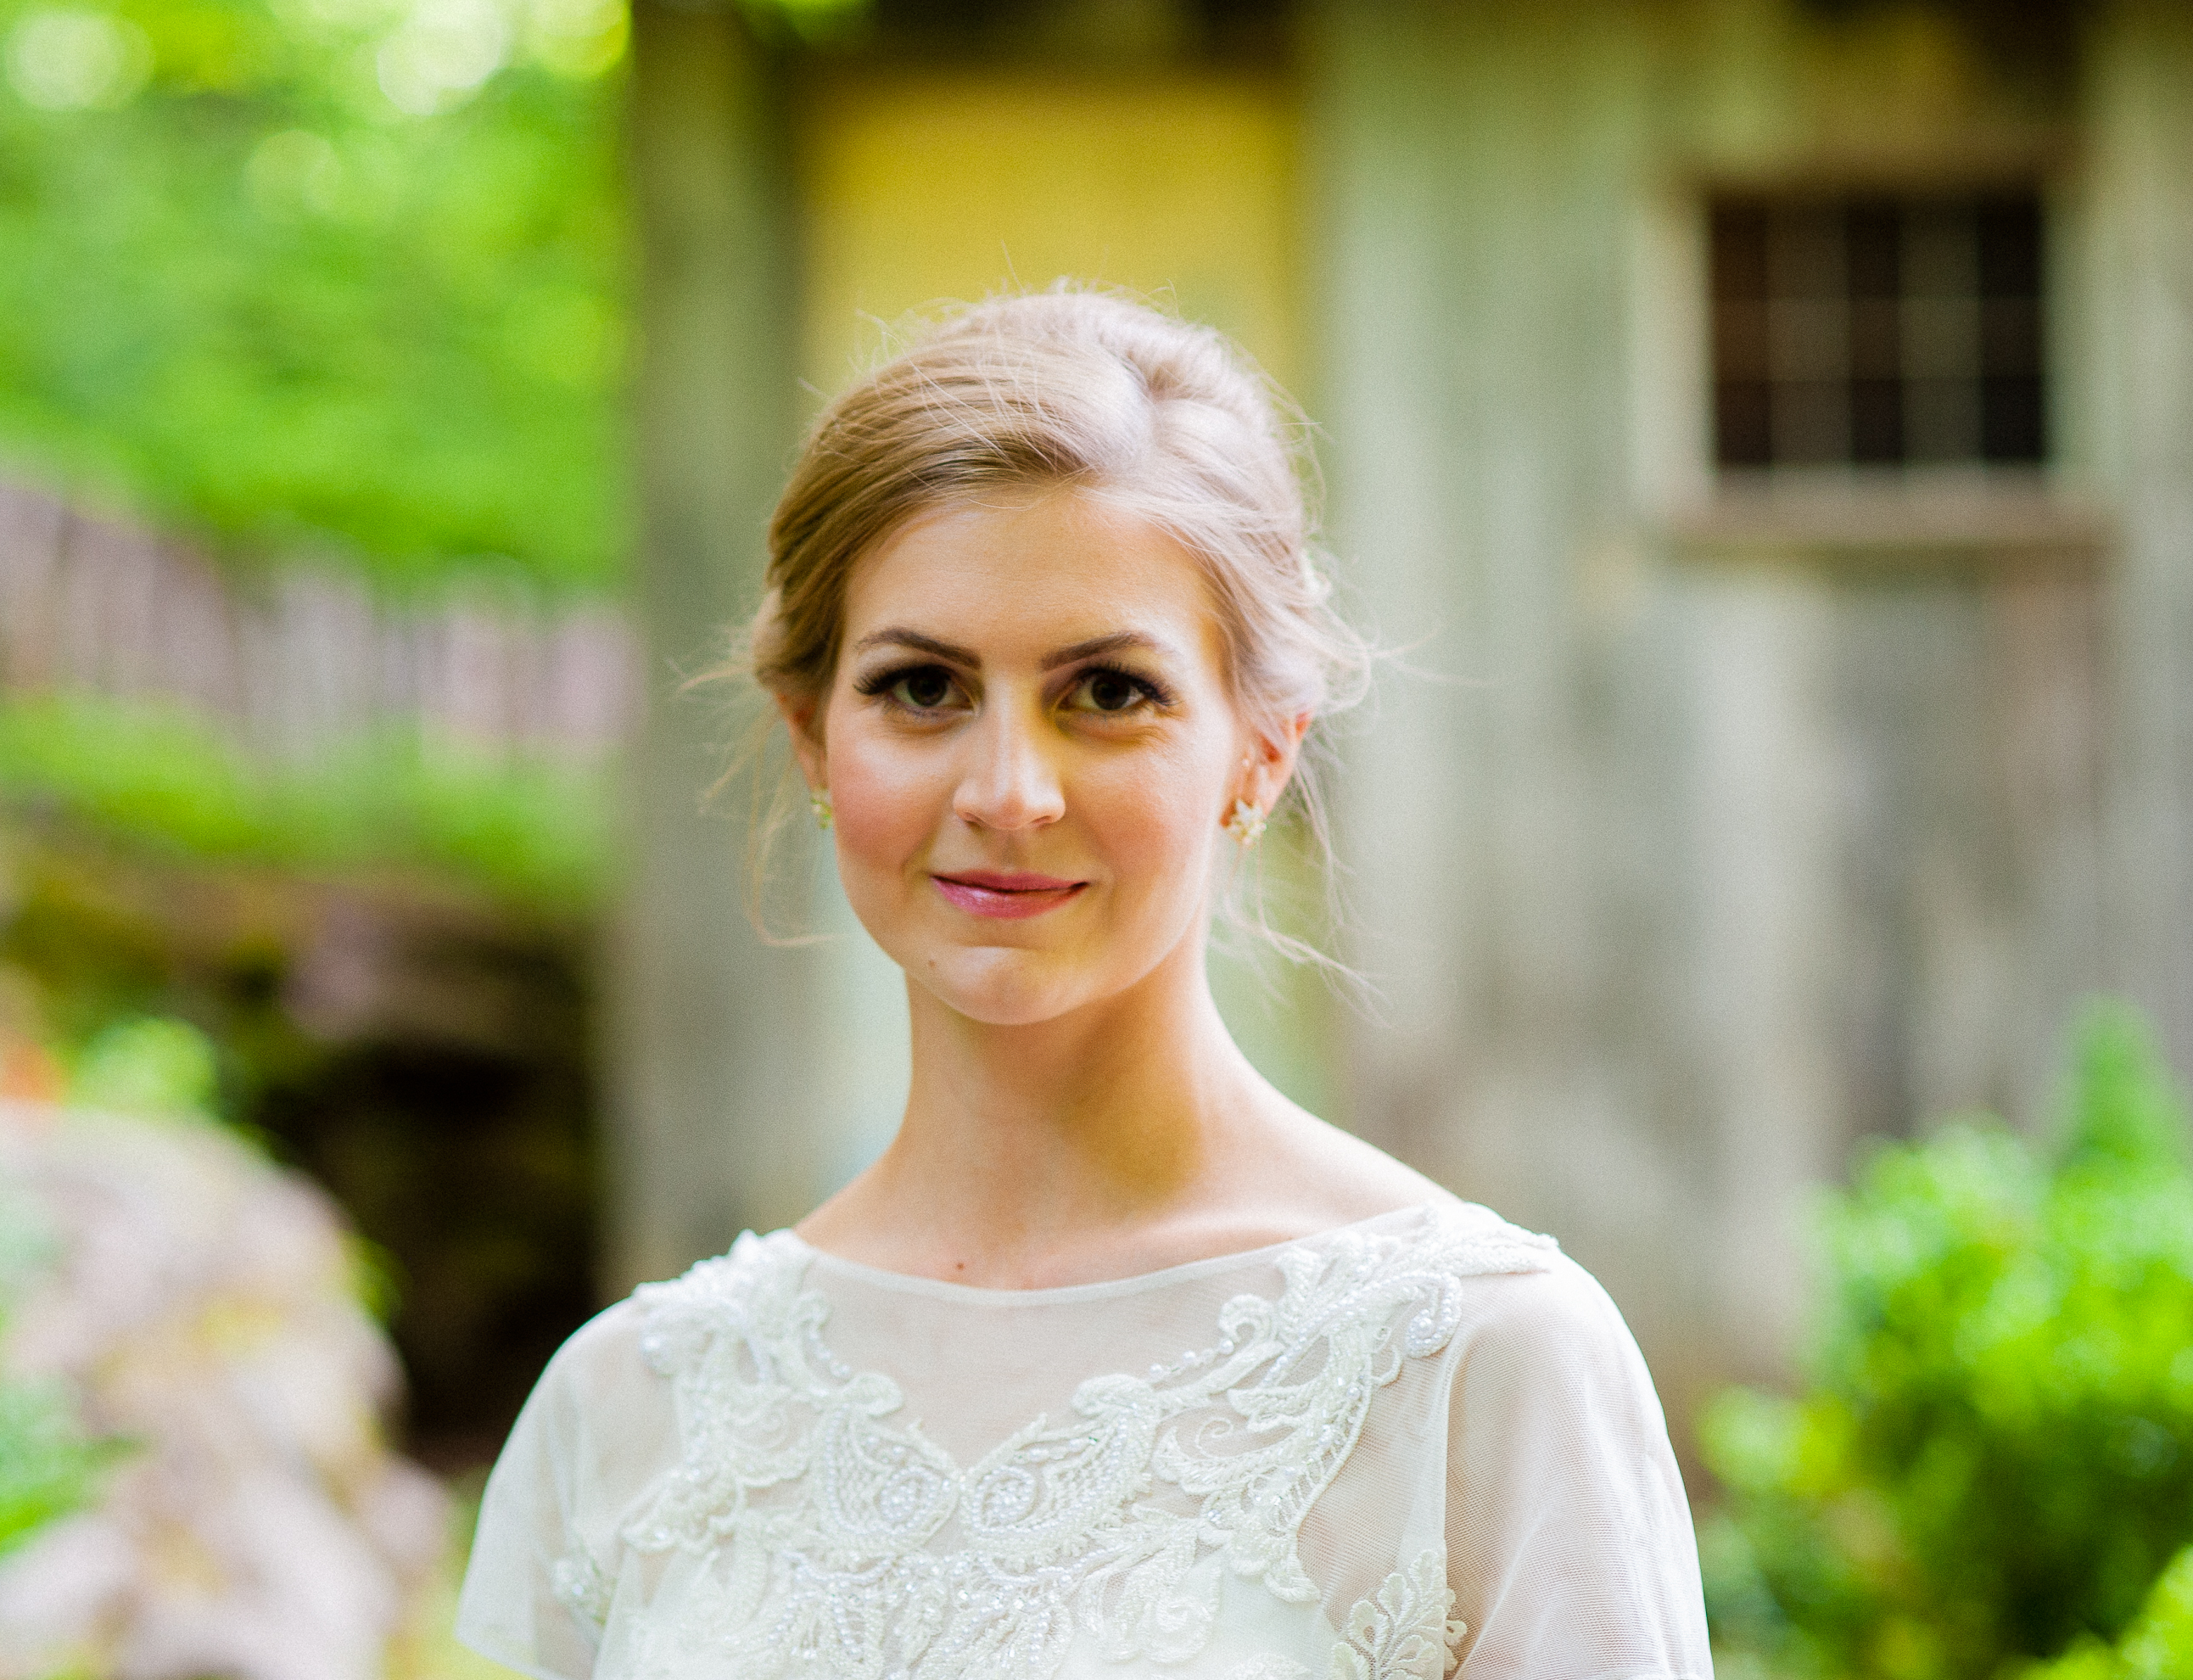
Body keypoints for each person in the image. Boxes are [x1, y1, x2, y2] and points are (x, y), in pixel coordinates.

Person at [457, 289, 1712, 1680]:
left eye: (1108, 693)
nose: (1008, 793)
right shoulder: (631, 1404)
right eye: (922, 688)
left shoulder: (1484, 1364)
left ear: (1261, 753)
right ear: (815, 741)